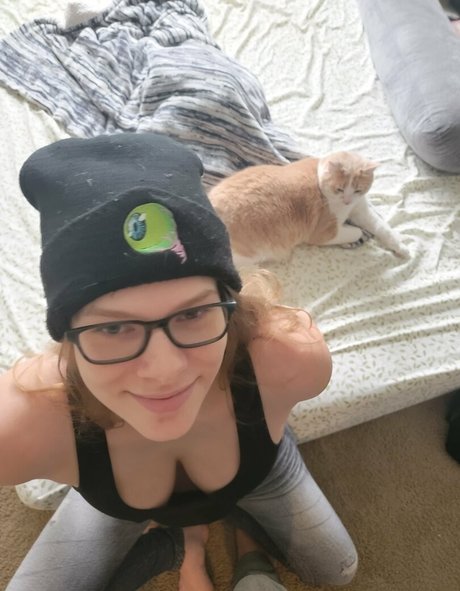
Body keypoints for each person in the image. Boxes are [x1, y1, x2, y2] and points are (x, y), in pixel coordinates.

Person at [0, 132, 358, 591]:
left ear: (229, 305)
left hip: (259, 474)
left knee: (337, 570)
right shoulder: (24, 428)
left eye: (191, 314)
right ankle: (181, 548)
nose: (165, 371)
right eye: (114, 328)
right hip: (120, 506)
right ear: (68, 335)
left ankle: (245, 533)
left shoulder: (289, 359)